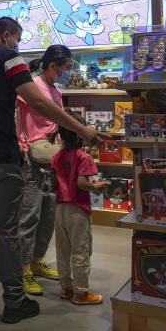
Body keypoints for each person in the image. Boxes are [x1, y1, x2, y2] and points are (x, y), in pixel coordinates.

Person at [0, 17, 102, 323]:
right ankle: (14, 302)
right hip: (1, 156)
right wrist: (81, 128)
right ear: (6, 35)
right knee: (7, 230)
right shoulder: (9, 59)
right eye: (18, 37)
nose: (18, 44)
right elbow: (37, 103)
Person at [15, 44, 73, 296]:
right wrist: (22, 142)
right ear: (52, 66)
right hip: (33, 157)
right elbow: (16, 114)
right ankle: (24, 269)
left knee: (49, 213)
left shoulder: (55, 91)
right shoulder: (33, 86)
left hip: (53, 156)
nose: (68, 73)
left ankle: (38, 260)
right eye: (67, 68)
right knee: (30, 213)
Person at [51, 115, 108, 305]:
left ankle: (66, 288)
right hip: (78, 209)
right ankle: (82, 293)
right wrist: (97, 186)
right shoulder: (84, 157)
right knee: (81, 250)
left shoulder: (57, 156)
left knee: (62, 250)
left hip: (59, 208)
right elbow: (82, 183)